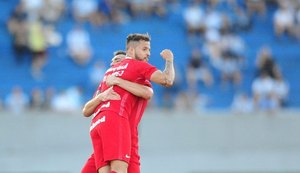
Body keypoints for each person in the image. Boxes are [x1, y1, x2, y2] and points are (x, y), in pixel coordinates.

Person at [81, 33, 175, 173]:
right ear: (131, 52)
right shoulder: (133, 67)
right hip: (117, 124)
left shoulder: (112, 76)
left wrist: (118, 82)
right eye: (144, 49)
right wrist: (169, 60)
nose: (116, 64)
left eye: (119, 60)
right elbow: (166, 81)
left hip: (105, 126)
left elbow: (147, 92)